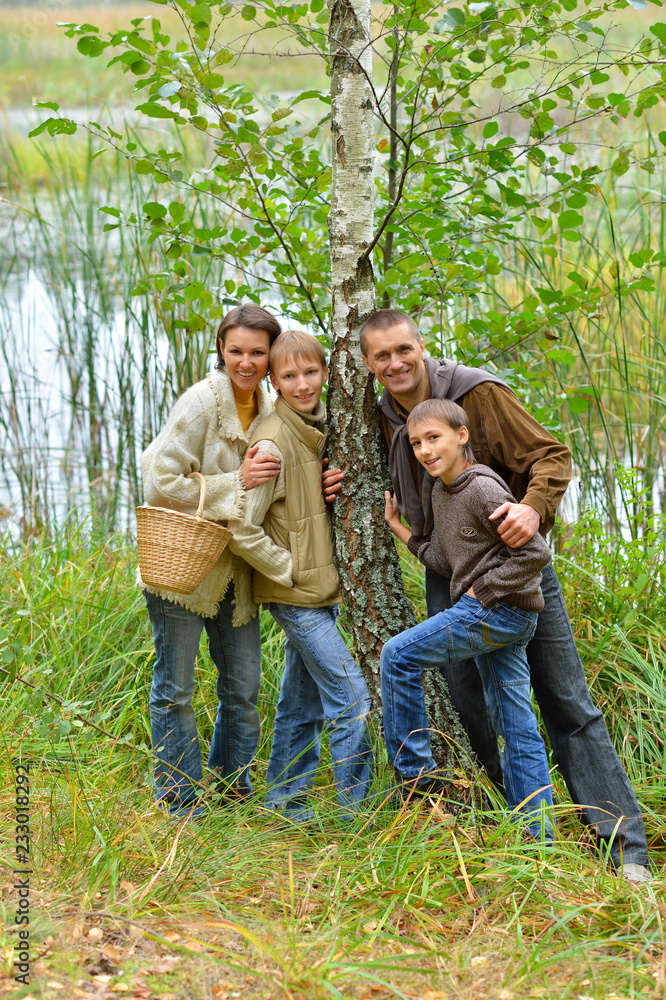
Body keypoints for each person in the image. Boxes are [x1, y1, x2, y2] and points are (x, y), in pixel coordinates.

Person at [361, 308, 651, 882]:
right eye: (381, 356)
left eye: (403, 350)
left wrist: (531, 509)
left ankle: (625, 849)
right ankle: (522, 832)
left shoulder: (478, 393)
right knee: (475, 705)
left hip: (516, 571)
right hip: (449, 573)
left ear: (422, 346)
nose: (395, 363)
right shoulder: (383, 417)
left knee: (566, 702)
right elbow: (374, 471)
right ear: (369, 364)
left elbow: (553, 457)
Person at [140, 305, 340, 817]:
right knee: (175, 690)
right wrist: (237, 483)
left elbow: (278, 478)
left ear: (270, 357)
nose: (246, 363)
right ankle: (180, 799)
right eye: (236, 351)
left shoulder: (273, 403)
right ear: (221, 350)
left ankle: (233, 789)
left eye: (257, 353)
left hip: (238, 572)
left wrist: (314, 485)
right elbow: (158, 478)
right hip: (184, 568)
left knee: (242, 689)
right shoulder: (205, 401)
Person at [383, 398, 554, 838]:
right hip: (503, 617)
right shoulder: (442, 490)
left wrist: (487, 589)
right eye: (417, 443)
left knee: (397, 655)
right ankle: (539, 841)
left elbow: (536, 551)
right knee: (516, 725)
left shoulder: (481, 487)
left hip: (496, 612)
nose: (424, 450)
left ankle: (418, 782)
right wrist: (400, 528)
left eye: (433, 438)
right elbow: (444, 557)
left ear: (461, 436)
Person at [231, 328, 373, 822]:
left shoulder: (319, 425)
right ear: (272, 380)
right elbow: (241, 529)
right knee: (352, 698)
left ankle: (284, 801)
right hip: (297, 595)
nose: (303, 384)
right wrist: (288, 571)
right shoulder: (271, 442)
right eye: (288, 376)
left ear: (327, 372)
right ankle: (358, 814)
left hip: (320, 589)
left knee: (300, 703)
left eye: (311, 372)